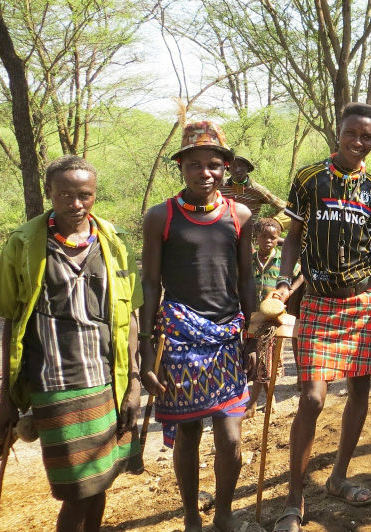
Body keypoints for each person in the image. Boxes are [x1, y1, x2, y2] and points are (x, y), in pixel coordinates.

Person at [0, 155, 143, 532]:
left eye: (84, 195)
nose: (76, 204)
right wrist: (6, 398)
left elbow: (131, 317)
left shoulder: (114, 242)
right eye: (65, 195)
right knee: (76, 491)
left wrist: (134, 384)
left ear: (95, 194)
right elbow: (11, 320)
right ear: (49, 193)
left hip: (108, 383)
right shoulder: (23, 243)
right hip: (55, 387)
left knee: (102, 482)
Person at [269, 103, 371, 532]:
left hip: (365, 301)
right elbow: (293, 237)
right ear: (338, 133)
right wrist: (283, 282)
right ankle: (294, 498)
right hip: (319, 302)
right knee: (312, 399)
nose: (359, 142)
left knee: (360, 389)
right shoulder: (308, 178)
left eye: (367, 136)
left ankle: (338, 477)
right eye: (352, 133)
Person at [140, 121, 257, 532]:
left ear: (226, 168)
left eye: (213, 165)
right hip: (180, 339)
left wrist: (253, 336)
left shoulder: (240, 215)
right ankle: (191, 517)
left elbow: (246, 280)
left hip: (227, 336)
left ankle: (224, 514)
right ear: (181, 168)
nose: (204, 173)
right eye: (194, 165)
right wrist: (145, 347)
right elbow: (150, 283)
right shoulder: (161, 216)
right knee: (188, 433)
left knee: (231, 437)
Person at [245, 217, 301, 417]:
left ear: (279, 239)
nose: (268, 241)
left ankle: (254, 403)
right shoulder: (249, 261)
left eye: (273, 238)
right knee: (256, 359)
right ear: (256, 237)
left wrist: (290, 291)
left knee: (266, 360)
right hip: (252, 317)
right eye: (264, 237)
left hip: (274, 319)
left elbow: (301, 273)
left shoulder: (282, 261)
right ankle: (270, 398)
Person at [219, 154, 293, 238]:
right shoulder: (219, 186)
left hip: (247, 236)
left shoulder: (257, 190)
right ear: (228, 168)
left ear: (248, 168)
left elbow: (287, 208)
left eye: (241, 166)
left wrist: (272, 223)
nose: (237, 170)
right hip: (222, 234)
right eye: (234, 166)